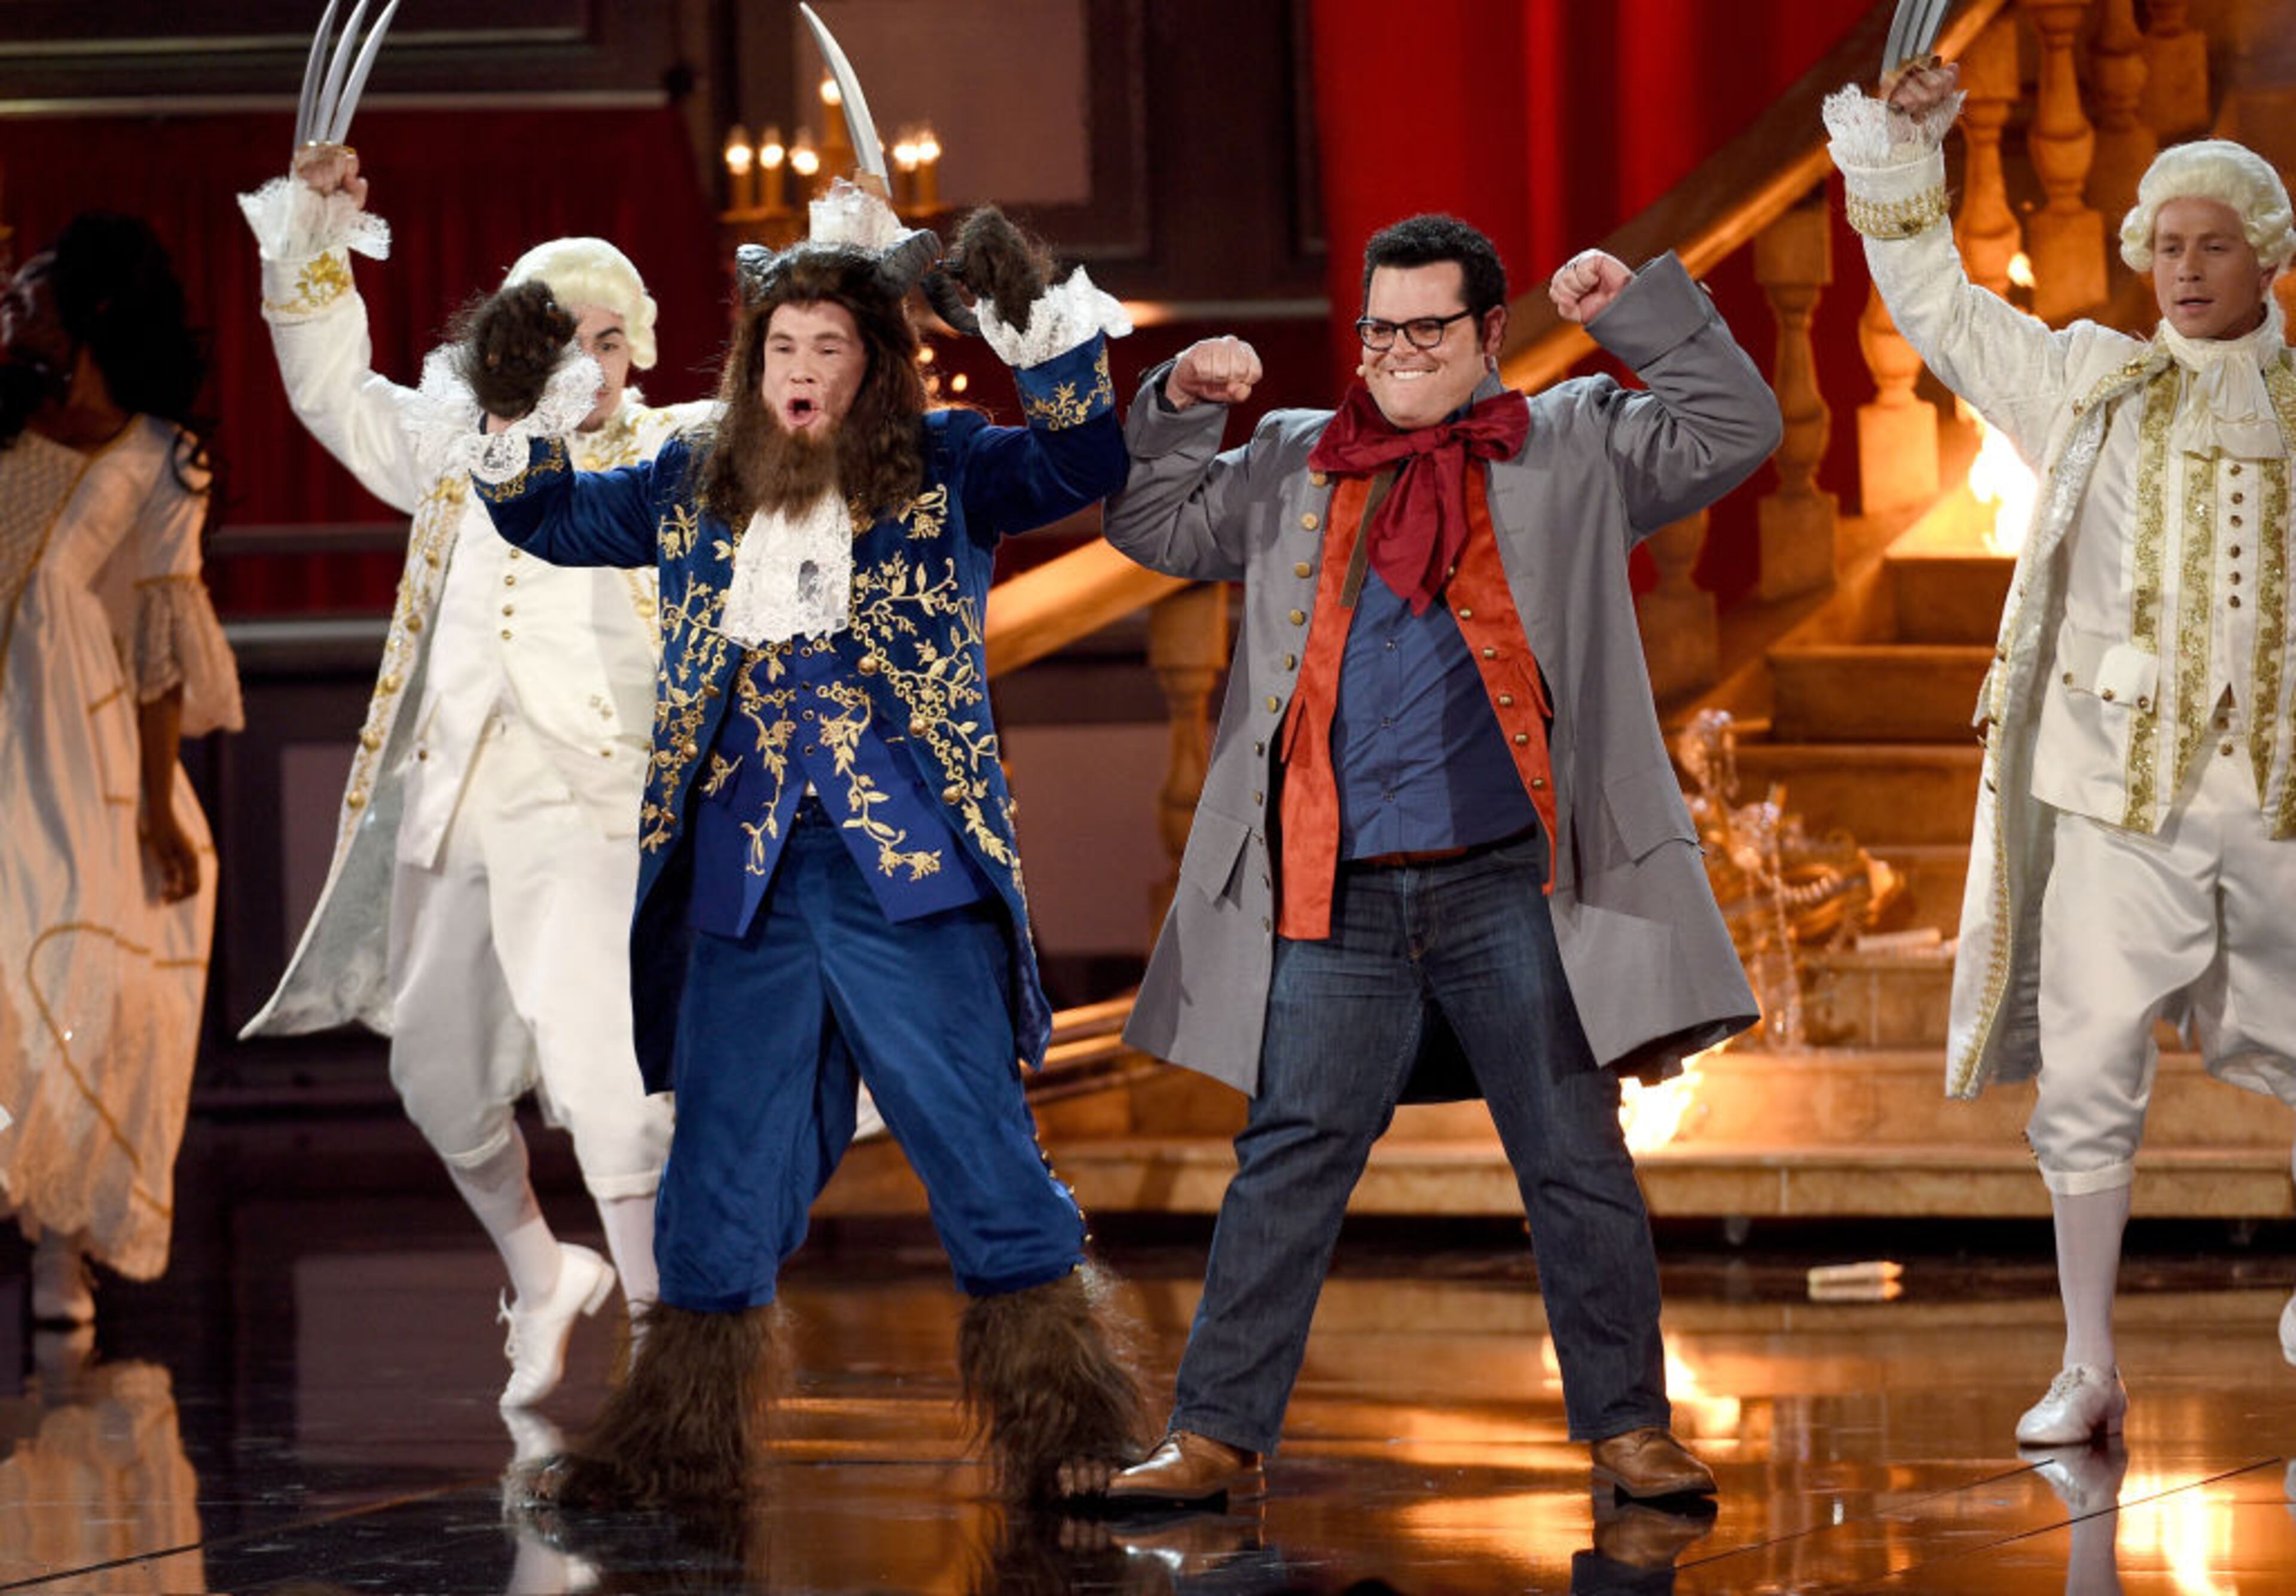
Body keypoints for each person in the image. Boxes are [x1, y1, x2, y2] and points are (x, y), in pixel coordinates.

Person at [470, 192, 1146, 1506]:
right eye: (783, 347)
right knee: (720, 1155)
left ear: (875, 367)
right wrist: (510, 407)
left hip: (909, 875)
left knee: (974, 1135)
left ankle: (1069, 1430)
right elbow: (541, 517)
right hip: (746, 874)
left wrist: (1044, 339)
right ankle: (676, 1446)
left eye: (831, 348)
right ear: (750, 364)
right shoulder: (687, 483)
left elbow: (1080, 463)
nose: (802, 370)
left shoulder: (948, 464)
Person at [1097, 213, 1781, 1507]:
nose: (1399, 353)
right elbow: (1153, 521)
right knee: (1287, 1157)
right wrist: (1182, 401)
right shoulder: (1298, 457)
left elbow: (1739, 429)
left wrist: (1637, 313)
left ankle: (1630, 1429)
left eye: (1428, 328)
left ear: (1486, 333)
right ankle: (1214, 1434)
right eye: (1380, 327)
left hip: (1513, 881)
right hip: (1335, 888)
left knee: (1573, 1153)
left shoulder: (1573, 439)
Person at [1831, 64, 2296, 1443]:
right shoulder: (2088, 379)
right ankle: (2088, 1362)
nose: (2188, 268)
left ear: (2267, 257)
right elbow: (1938, 312)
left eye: (2216, 245)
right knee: (2092, 1072)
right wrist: (1910, 161)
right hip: (2115, 794)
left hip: (2280, 790)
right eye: (2167, 244)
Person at [235, 146, 709, 1407]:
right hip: (460, 797)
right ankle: (541, 1270)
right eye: (560, 336)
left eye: (612, 339)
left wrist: (867, 265)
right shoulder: (456, 452)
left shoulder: (678, 452)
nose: (587, 362)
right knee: (433, 1073)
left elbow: (815, 410)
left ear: (642, 352)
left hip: (599, 805)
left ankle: (669, 1350)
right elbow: (333, 390)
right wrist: (314, 241)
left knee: (611, 1080)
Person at [0, 212, 244, 1323]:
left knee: (76, 971)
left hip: (64, 740)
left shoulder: (158, 458)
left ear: (87, 311)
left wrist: (154, 805)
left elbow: (156, 651)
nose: (16, 306)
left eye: (34, 292)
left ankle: (63, 1232)